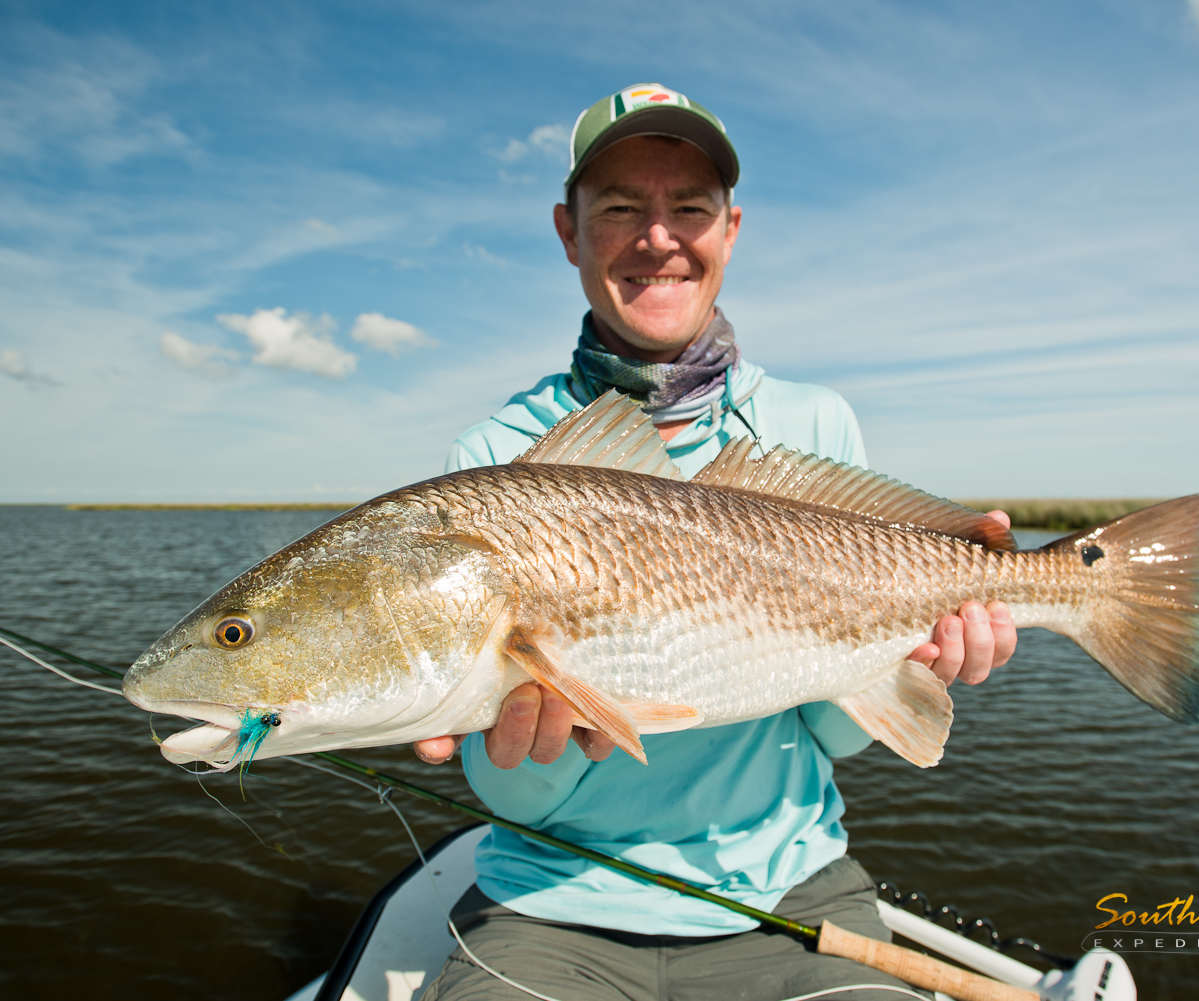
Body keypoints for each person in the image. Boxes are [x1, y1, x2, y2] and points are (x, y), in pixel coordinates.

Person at [413, 84, 1018, 1001]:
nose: (658, 237)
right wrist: (529, 744)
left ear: (730, 229)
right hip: (549, 909)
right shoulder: (495, 458)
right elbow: (510, 800)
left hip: (793, 898)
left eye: (688, 208)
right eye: (619, 207)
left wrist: (920, 654)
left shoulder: (813, 421)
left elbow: (829, 734)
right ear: (568, 232)